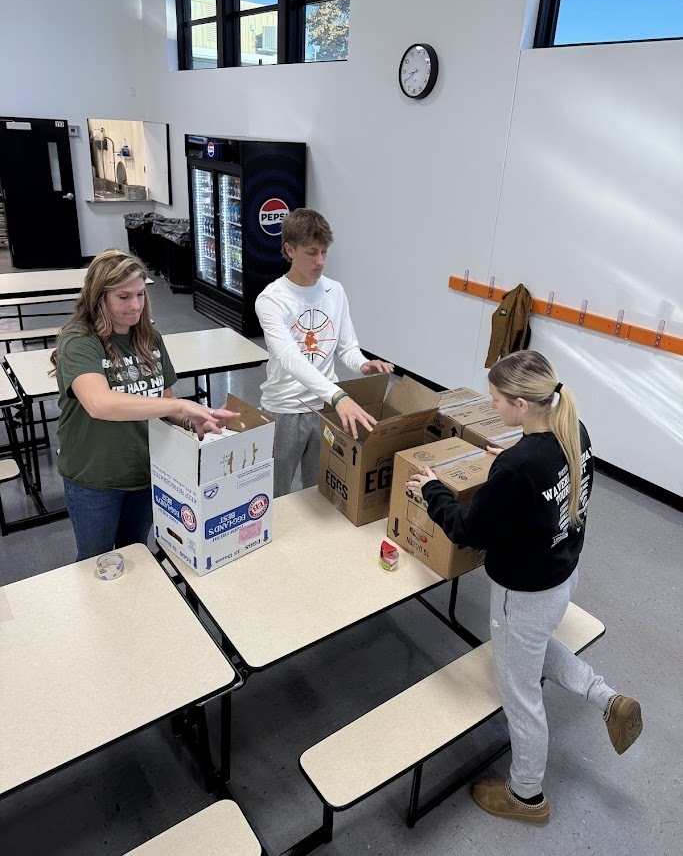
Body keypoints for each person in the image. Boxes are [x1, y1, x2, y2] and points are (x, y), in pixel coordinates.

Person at [406, 350, 642, 823]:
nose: (491, 407)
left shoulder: (517, 468)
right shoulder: (574, 430)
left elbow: (470, 530)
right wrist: (509, 457)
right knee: (529, 645)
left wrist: (431, 491)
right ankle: (606, 698)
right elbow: (538, 474)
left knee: (520, 692)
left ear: (519, 404)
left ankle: (527, 796)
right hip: (561, 574)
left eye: (495, 400)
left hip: (525, 591)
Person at [51, 249, 238, 561]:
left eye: (140, 294)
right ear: (99, 297)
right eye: (123, 296)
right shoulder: (79, 340)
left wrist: (193, 421)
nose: (136, 305)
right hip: (96, 478)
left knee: (135, 554)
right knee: (95, 561)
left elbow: (164, 402)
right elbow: (99, 403)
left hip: (145, 471)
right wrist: (181, 408)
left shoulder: (149, 338)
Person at [255, 208, 394, 497]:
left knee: (319, 490)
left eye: (324, 252)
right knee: (274, 493)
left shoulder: (335, 291)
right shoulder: (271, 300)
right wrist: (339, 395)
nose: (320, 261)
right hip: (285, 410)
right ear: (290, 250)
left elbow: (346, 346)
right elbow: (291, 359)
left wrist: (363, 365)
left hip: (325, 409)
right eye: (311, 252)